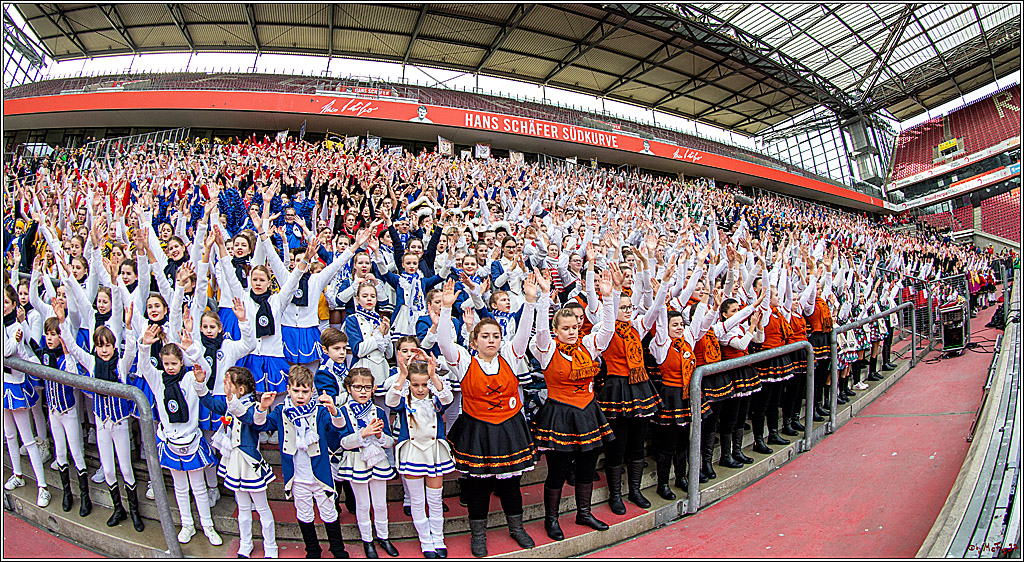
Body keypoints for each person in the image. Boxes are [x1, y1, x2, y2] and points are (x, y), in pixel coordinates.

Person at [437, 277, 538, 557]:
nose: (491, 340)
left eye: (495, 336)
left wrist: (529, 302)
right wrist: (446, 309)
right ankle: (477, 535)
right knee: (479, 487)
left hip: (508, 427)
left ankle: (516, 528)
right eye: (485, 336)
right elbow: (445, 343)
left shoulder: (510, 355)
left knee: (510, 484)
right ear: (474, 340)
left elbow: (523, 334)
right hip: (478, 429)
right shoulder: (464, 360)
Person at [530, 265, 620, 540]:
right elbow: (542, 331)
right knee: (557, 470)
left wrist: (609, 298)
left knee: (587, 466)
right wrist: (544, 296)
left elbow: (607, 330)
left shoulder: (588, 345)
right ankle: (552, 519)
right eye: (565, 328)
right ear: (556, 329)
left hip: (588, 411)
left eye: (574, 327)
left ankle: (584, 512)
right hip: (560, 413)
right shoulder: (545, 348)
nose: (571, 332)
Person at [250, 366, 350, 559]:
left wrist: (334, 410)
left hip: (320, 474)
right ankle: (312, 550)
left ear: (312, 391)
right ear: (288, 389)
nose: (300, 395)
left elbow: (339, 427)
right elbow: (261, 425)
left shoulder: (320, 411)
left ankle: (338, 550)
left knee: (329, 513)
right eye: (296, 391)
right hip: (297, 476)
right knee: (304, 515)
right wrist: (262, 407)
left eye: (305, 391)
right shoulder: (281, 411)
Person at [138, 325, 222, 546]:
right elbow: (145, 367)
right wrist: (145, 346)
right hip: (170, 442)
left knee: (199, 487)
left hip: (192, 440)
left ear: (181, 362)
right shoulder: (158, 380)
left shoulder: (188, 380)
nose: (170, 367)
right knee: (180, 488)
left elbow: (206, 370)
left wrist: (192, 349)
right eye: (166, 364)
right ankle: (187, 525)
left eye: (174, 363)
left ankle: (208, 526)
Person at [194, 364, 279, 558]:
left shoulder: (252, 406)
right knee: (241, 507)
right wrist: (200, 383)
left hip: (250, 462)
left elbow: (254, 421)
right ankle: (246, 543)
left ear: (240, 389)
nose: (225, 386)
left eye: (227, 383)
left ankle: (271, 547)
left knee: (262, 507)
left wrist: (258, 406)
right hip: (234, 461)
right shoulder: (229, 403)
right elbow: (210, 402)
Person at [386, 349, 454, 558]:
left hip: (434, 452)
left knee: (434, 499)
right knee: (417, 500)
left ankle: (438, 538)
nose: (420, 389)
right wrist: (403, 375)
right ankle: (425, 541)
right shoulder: (404, 400)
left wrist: (433, 375)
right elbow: (390, 401)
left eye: (424, 385)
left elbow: (448, 398)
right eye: (415, 385)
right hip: (412, 452)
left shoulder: (436, 397)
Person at [336, 367, 399, 558]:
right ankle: (367, 540)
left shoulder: (379, 411)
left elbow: (389, 442)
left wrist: (380, 436)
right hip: (356, 462)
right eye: (357, 387)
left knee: (380, 503)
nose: (362, 391)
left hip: (378, 460)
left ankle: (384, 537)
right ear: (348, 388)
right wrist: (362, 434)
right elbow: (342, 442)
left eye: (367, 387)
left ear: (373, 389)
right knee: (363, 504)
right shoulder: (343, 412)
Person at [3, 285, 50, 508]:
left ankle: (43, 486)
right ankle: (18, 474)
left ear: (14, 305)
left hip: (17, 384)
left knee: (28, 438)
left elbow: (9, 350)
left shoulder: (16, 326)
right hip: (4, 385)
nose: (3, 306)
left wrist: (14, 338)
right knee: (10, 435)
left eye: (6, 302)